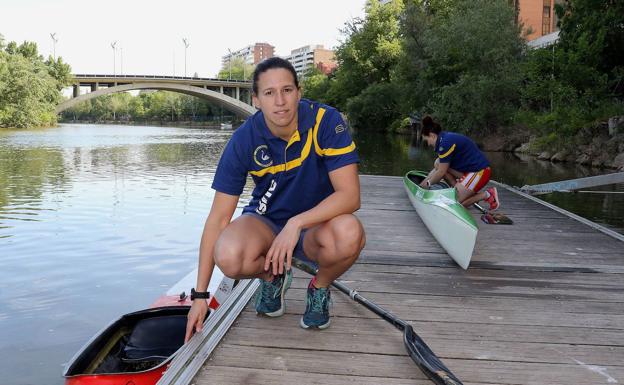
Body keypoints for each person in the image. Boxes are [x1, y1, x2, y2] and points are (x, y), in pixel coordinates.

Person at [184, 57, 366, 342]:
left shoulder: (326, 121)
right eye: (269, 93)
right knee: (229, 255)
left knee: (349, 232)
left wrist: (297, 224)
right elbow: (218, 219)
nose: (280, 101)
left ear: (299, 92)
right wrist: (199, 296)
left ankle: (319, 287)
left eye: (287, 90)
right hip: (267, 222)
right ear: (256, 100)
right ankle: (273, 277)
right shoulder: (244, 140)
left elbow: (350, 196)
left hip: (316, 226)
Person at [419, 116, 499, 211]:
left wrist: (427, 185)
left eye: (427, 140)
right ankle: (463, 191)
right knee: (438, 162)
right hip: (468, 172)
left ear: (432, 135)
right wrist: (420, 187)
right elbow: (437, 170)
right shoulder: (443, 139)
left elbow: (441, 172)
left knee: (454, 203)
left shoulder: (445, 143)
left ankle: (488, 194)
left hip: (479, 172)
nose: (428, 144)